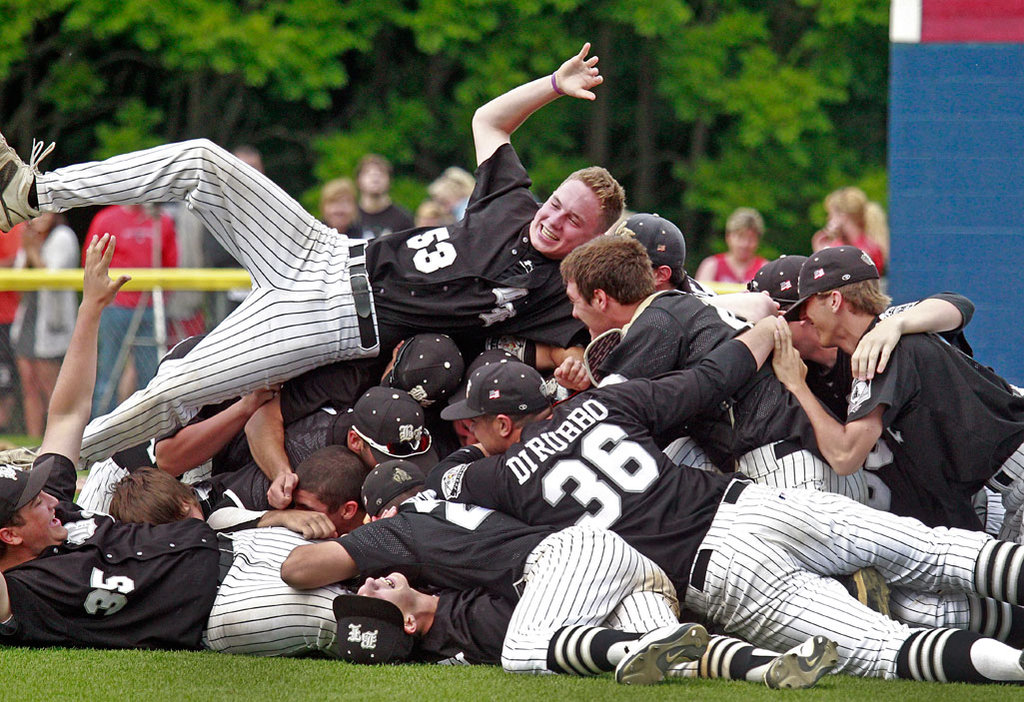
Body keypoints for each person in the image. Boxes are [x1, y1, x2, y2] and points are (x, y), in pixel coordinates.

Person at [0, 43, 621, 466]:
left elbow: (597, 335)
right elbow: (490, 120)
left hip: (335, 321)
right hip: (323, 250)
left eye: (573, 221)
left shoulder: (554, 288)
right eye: (558, 202)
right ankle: (31, 192)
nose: (554, 218)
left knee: (177, 386)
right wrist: (552, 87)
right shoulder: (512, 201)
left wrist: (574, 364)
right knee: (202, 160)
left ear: (589, 240)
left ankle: (55, 458)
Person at [426, 349, 1024, 683]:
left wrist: (482, 450)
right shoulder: (607, 400)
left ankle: (1018, 668)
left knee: (888, 650)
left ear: (504, 424)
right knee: (941, 550)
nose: (468, 430)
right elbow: (709, 378)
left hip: (720, 573)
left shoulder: (498, 473)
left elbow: (441, 480)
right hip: (754, 504)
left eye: (475, 422)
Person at [282, 460, 838, 688]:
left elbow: (297, 568)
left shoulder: (397, 531)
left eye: (370, 581)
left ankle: (631, 651)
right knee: (676, 657)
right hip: (606, 564)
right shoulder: (440, 519)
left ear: (379, 512)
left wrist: (287, 522)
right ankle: (768, 669)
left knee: (524, 652)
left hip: (567, 562)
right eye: (373, 590)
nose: (369, 582)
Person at [776, 246, 1024, 537]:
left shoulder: (883, 344)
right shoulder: (882, 335)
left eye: (807, 305)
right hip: (1003, 482)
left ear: (834, 300)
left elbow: (845, 456)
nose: (804, 316)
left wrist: (796, 385)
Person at [84, 204, 178, 417]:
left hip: (150, 307)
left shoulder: (160, 220)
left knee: (151, 375)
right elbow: (90, 261)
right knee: (108, 374)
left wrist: (162, 297)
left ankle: (147, 430)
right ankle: (98, 430)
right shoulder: (105, 219)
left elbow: (172, 262)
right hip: (115, 306)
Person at [11, 213, 78, 437]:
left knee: (51, 387)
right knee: (29, 385)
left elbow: (51, 278)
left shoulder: (63, 237)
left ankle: (57, 439)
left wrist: (31, 250)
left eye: (44, 213)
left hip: (51, 323)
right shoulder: (29, 237)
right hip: (28, 319)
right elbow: (18, 282)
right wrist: (28, 248)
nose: (38, 218)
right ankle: (33, 442)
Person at [811, 187, 887, 273]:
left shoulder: (868, 249)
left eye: (831, 215)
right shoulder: (835, 245)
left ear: (843, 215)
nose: (828, 219)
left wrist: (821, 256)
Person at [694, 207, 767, 285]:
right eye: (740, 237)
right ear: (728, 236)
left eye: (751, 239)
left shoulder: (765, 269)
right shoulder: (711, 266)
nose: (745, 244)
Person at [355, 154, 414, 240]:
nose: (375, 177)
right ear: (358, 180)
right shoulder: (350, 218)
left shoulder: (403, 219)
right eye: (368, 173)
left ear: (389, 180)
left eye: (381, 173)